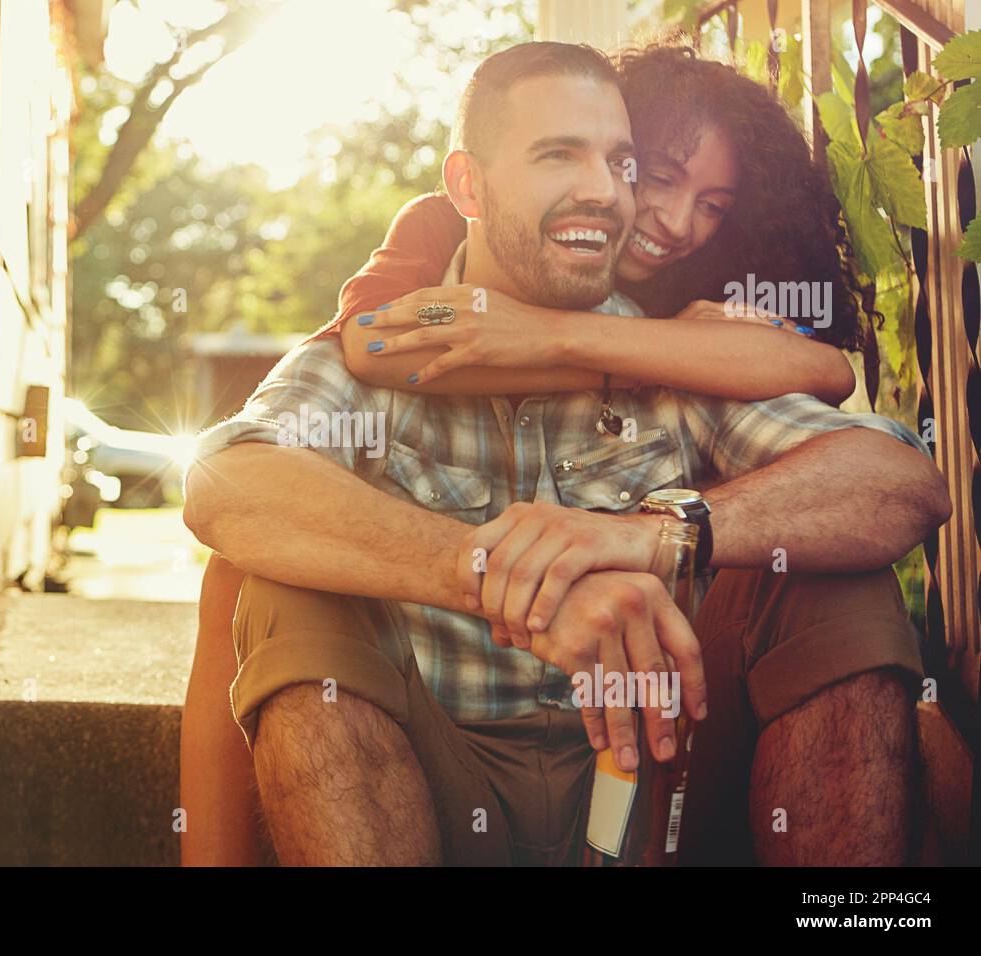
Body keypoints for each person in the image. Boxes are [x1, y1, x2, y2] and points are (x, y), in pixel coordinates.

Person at [181, 41, 951, 866]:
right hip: (430, 782)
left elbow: (898, 480)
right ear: (468, 184)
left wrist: (652, 532)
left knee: (838, 578)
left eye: (621, 163)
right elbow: (227, 480)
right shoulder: (412, 318)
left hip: (654, 787)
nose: (608, 192)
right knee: (276, 581)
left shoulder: (677, 350)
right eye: (560, 155)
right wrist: (508, 583)